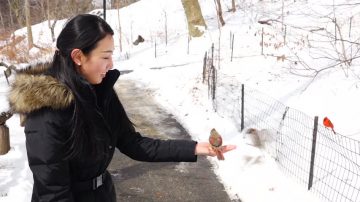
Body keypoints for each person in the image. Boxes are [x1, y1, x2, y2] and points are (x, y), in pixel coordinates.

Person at [8, 14, 236, 202]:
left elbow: (133, 143)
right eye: (105, 56)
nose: (111, 64)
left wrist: (195, 148)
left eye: (112, 55)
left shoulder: (99, 91)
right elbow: (53, 193)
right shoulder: (47, 111)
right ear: (78, 56)